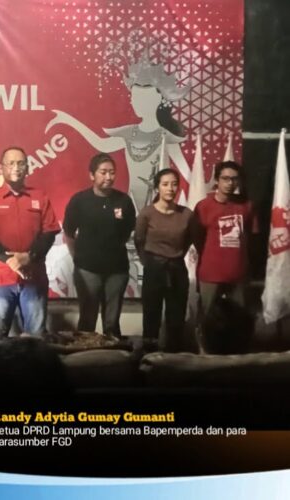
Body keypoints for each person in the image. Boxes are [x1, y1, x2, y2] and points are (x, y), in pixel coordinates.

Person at [46, 54, 191, 212]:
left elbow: (187, 173)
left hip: (158, 208)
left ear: (157, 100)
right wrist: (69, 120)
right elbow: (101, 144)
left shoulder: (166, 137)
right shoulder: (129, 133)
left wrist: (204, 184)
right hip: (131, 204)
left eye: (141, 97)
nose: (134, 102)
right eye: (134, 97)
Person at [0, 147, 60, 337]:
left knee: (36, 337)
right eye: (11, 163)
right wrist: (8, 259)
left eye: (21, 163)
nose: (16, 167)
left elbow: (49, 233)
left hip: (33, 278)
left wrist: (29, 256)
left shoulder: (40, 196)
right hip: (0, 280)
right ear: (0, 168)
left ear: (27, 168)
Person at [62, 153, 136, 336]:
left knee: (112, 322)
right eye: (103, 172)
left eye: (112, 172)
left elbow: (128, 230)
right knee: (87, 320)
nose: (108, 177)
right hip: (87, 270)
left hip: (117, 270)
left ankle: (112, 353)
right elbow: (69, 233)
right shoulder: (79, 201)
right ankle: (85, 353)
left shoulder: (124, 201)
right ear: (92, 175)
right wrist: (78, 258)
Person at [134, 169, 199, 351]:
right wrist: (148, 261)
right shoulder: (147, 214)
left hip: (177, 268)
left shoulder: (187, 214)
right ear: (157, 188)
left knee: (176, 318)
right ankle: (149, 356)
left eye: (174, 184)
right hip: (154, 269)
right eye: (165, 184)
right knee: (151, 316)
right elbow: (139, 240)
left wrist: (176, 255)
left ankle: (173, 357)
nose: (170, 188)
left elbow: (190, 239)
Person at [194, 161, 257, 312]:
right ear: (217, 180)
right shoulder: (203, 206)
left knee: (238, 319)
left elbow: (253, 238)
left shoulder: (247, 206)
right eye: (225, 178)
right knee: (207, 318)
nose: (230, 183)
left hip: (238, 273)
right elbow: (197, 238)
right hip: (210, 274)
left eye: (234, 179)